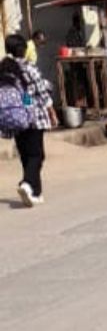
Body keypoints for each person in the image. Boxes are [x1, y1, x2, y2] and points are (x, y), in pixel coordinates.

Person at [1, 32, 55, 207]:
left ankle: (35, 193)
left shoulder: (4, 69)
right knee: (37, 155)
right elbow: (41, 93)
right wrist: (52, 112)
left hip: (14, 118)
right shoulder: (29, 68)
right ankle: (27, 183)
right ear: (23, 50)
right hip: (33, 117)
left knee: (26, 155)